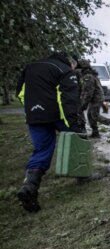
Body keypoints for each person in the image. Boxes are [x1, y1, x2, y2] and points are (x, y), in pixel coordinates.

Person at [15, 51, 83, 212]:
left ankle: (29, 187)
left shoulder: (30, 68)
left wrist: (33, 111)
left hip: (34, 115)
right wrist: (73, 123)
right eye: (75, 65)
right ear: (71, 61)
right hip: (57, 115)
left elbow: (20, 93)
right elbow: (68, 100)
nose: (75, 68)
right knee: (77, 139)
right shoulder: (65, 71)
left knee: (42, 150)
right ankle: (82, 174)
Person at [78, 60, 110, 138]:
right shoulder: (91, 75)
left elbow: (89, 93)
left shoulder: (88, 77)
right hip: (96, 98)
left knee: (95, 115)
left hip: (96, 99)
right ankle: (95, 133)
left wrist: (83, 105)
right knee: (90, 115)